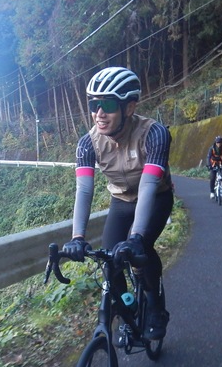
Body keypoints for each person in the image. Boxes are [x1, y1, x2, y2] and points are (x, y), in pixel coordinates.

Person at [62, 66, 173, 341]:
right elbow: (84, 190)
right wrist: (77, 237)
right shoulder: (87, 143)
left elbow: (148, 185)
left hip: (156, 198)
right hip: (121, 200)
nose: (99, 113)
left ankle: (156, 308)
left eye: (108, 105)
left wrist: (136, 238)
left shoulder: (155, 133)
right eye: (94, 105)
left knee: (141, 251)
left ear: (129, 107)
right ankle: (127, 307)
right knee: (110, 261)